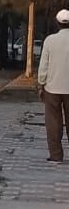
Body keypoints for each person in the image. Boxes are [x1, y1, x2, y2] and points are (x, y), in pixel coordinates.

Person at [38, 9, 69, 162]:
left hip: (52, 88)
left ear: (57, 23)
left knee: (53, 121)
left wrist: (41, 84)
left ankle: (56, 155)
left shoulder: (50, 40)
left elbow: (44, 65)